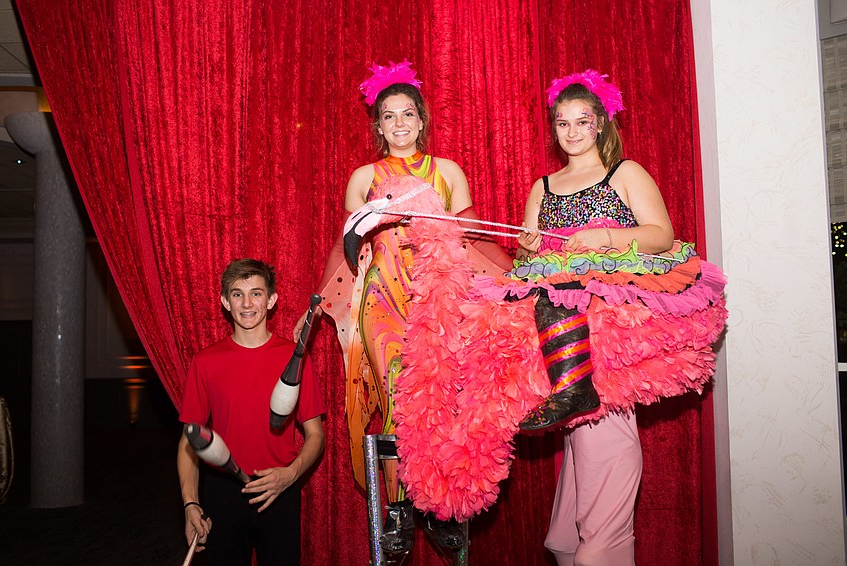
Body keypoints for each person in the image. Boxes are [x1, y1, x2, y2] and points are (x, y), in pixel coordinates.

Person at [294, 59, 511, 553]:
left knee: (440, 398)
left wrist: (513, 277)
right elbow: (345, 251)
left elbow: (475, 237)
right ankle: (400, 507)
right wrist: (317, 304)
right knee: (399, 395)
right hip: (382, 302)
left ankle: (436, 504)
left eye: (407, 114)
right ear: (378, 125)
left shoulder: (447, 172)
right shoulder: (363, 177)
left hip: (438, 300)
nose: (399, 124)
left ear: (421, 120)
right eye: (388, 116)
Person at [516, 70, 672, 565]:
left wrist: (603, 238)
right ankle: (583, 542)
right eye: (562, 123)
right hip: (561, 334)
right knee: (581, 434)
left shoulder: (624, 173)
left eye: (582, 121)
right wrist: (527, 250)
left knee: (602, 417)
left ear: (601, 122)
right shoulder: (543, 187)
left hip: (611, 328)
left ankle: (602, 548)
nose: (572, 132)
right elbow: (529, 265)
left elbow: (661, 235)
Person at [178, 258, 325, 566]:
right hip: (223, 492)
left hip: (279, 490)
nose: (247, 303)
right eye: (237, 294)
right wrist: (191, 503)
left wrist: (290, 475)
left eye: (256, 293)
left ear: (271, 300)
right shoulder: (205, 362)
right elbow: (189, 440)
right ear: (224, 302)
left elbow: (315, 435)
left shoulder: (294, 359)